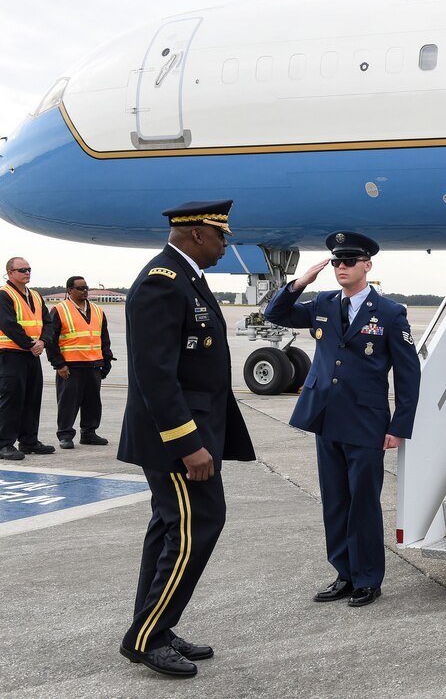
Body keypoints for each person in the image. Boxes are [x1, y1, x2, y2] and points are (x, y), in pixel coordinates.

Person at [117, 200, 256, 679]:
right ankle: (147, 637)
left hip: (191, 433)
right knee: (199, 523)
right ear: (197, 235)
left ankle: (154, 624)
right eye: (221, 237)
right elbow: (156, 377)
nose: (225, 244)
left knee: (169, 530)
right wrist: (188, 444)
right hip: (176, 441)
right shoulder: (163, 281)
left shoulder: (186, 276)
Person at [264, 231, 420, 608]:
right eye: (336, 261)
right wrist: (300, 282)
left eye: (349, 261)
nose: (341, 268)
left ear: (367, 265)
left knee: (363, 502)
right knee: (334, 501)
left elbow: (408, 373)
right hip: (326, 416)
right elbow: (275, 313)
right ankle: (344, 574)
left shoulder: (390, 312)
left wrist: (399, 426)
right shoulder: (322, 303)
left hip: (367, 421)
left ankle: (368, 578)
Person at [45, 276, 114, 449]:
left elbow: (103, 338)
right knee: (68, 402)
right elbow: (51, 340)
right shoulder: (60, 310)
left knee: (92, 401)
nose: (85, 291)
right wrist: (58, 364)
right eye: (80, 288)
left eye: (86, 288)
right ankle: (65, 435)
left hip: (93, 364)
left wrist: (106, 360)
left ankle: (89, 433)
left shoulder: (97, 310)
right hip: (71, 366)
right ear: (70, 290)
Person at [0, 257, 56, 460]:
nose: (27, 273)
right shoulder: (4, 294)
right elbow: (8, 324)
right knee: (11, 399)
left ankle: (29, 440)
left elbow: (47, 322)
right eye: (22, 269)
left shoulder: (35, 295)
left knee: (33, 397)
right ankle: (4, 444)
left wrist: (43, 342)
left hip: (32, 354)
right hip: (11, 353)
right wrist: (30, 344)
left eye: (29, 269)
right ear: (10, 273)